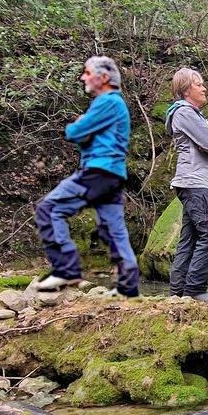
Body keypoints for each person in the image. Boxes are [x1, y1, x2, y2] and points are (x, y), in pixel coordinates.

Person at [34, 56, 140, 297]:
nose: (83, 77)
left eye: (87, 72)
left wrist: (79, 126)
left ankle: (66, 270)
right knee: (113, 229)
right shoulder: (115, 104)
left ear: (103, 78)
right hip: (113, 174)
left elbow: (75, 132)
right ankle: (128, 287)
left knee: (49, 209)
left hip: (98, 171)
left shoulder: (108, 102)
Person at [165, 68, 208, 301]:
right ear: (186, 89)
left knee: (189, 239)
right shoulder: (185, 113)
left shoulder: (189, 114)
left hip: (192, 183)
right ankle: (194, 291)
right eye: (199, 84)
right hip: (194, 183)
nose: (204, 88)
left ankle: (178, 293)